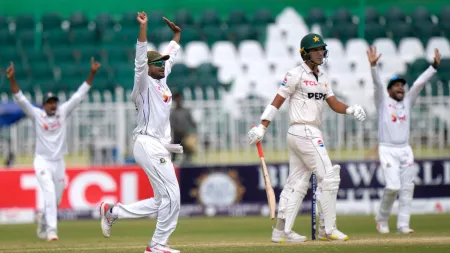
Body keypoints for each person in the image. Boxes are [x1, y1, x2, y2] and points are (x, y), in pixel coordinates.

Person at [248, 33, 366, 242]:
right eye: (315, 49)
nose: (320, 52)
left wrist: (350, 109)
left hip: (308, 133)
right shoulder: (295, 74)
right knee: (329, 176)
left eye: (322, 49)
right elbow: (277, 101)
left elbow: (333, 102)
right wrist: (262, 127)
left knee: (297, 182)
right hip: (303, 131)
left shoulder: (324, 78)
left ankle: (281, 232)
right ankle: (327, 229)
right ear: (305, 53)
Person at [99, 12, 183, 253]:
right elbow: (140, 61)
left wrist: (176, 35)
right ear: (148, 68)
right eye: (158, 63)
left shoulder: (162, 79)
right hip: (148, 143)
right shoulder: (143, 85)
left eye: (163, 63)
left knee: (161, 201)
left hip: (157, 145)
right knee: (173, 196)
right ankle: (157, 245)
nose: (163, 66)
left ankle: (112, 212)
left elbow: (172, 56)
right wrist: (143, 29)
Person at [5, 57, 101, 241]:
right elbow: (21, 99)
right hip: (42, 161)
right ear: (43, 104)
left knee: (55, 200)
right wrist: (12, 79)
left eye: (54, 101)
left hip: (58, 162)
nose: (53, 105)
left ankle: (43, 221)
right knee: (48, 191)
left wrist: (92, 73)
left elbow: (79, 95)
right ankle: (51, 231)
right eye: (49, 102)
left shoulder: (62, 112)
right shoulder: (36, 115)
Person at [367, 46, 441, 234]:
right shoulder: (383, 102)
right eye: (396, 85)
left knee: (407, 187)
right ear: (390, 90)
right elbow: (376, 85)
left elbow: (418, 85)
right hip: (387, 149)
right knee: (393, 186)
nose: (400, 88)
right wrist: (373, 66)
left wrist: (433, 67)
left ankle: (403, 225)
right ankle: (382, 220)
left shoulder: (408, 101)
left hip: (405, 150)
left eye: (402, 85)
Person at [170, 92, 197, 164]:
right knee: (174, 154)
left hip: (186, 136)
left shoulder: (186, 111)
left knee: (187, 153)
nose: (178, 101)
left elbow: (192, 122)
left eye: (179, 99)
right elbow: (172, 125)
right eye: (176, 99)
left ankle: (188, 165)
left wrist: (193, 130)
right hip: (177, 136)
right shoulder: (173, 112)